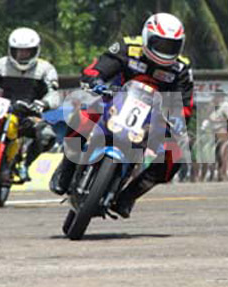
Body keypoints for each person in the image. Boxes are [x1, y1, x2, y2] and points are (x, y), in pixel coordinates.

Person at [51, 13, 194, 219]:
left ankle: (129, 196)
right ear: (146, 37)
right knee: (81, 114)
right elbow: (97, 68)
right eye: (160, 44)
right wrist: (95, 80)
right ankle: (66, 169)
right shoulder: (127, 47)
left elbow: (184, 105)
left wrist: (175, 120)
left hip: (151, 118)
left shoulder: (181, 68)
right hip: (114, 100)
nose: (165, 51)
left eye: (171, 47)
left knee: (177, 152)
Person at [0, 27, 60, 181]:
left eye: (27, 51)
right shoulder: (0, 64)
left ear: (36, 50)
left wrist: (43, 103)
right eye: (18, 51)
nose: (22, 55)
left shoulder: (45, 69)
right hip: (0, 108)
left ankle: (25, 165)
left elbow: (54, 93)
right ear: (11, 50)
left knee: (47, 135)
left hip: (28, 113)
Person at [203, 90, 228, 181]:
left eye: (216, 96)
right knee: (213, 153)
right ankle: (215, 172)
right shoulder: (213, 106)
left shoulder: (225, 105)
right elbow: (207, 116)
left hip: (222, 130)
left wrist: (225, 129)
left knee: (223, 152)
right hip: (212, 130)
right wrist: (210, 106)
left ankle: (224, 172)